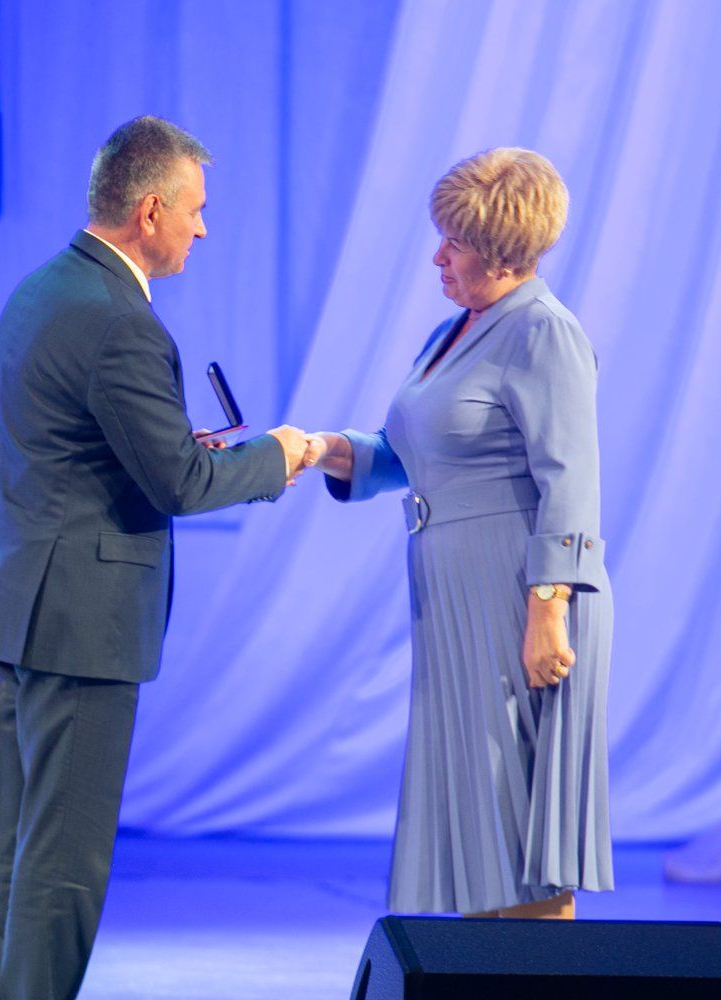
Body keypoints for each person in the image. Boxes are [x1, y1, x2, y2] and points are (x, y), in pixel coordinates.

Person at [0, 115, 310, 1000]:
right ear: (151, 210)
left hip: (20, 606)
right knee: (64, 861)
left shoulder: (43, 289)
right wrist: (278, 455)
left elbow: (78, 447)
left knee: (17, 841)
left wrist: (175, 448)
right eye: (196, 210)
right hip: (80, 626)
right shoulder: (122, 322)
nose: (204, 229)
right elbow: (181, 484)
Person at [303, 147, 612, 919]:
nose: (437, 257)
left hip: (517, 593)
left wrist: (547, 611)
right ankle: (485, 972)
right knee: (478, 819)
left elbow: (570, 478)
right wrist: (324, 449)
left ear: (503, 252)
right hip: (454, 594)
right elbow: (410, 452)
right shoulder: (458, 330)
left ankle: (536, 973)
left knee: (516, 823)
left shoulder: (543, 332)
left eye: (456, 243)